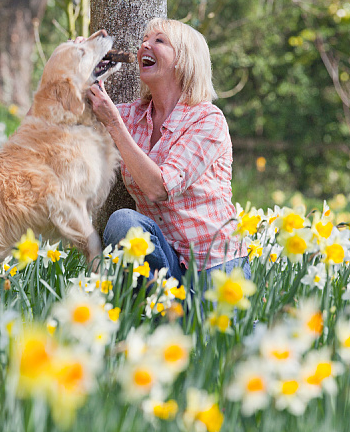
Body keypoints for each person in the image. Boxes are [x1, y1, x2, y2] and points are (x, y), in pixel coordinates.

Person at [84, 18, 249, 291]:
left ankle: (176, 319)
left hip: (215, 267)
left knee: (220, 335)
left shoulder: (207, 120)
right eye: (145, 40)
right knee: (123, 222)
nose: (144, 45)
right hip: (165, 264)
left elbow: (159, 188)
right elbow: (73, 103)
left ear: (184, 60)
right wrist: (81, 54)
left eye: (159, 41)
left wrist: (113, 123)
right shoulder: (131, 116)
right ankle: (161, 314)